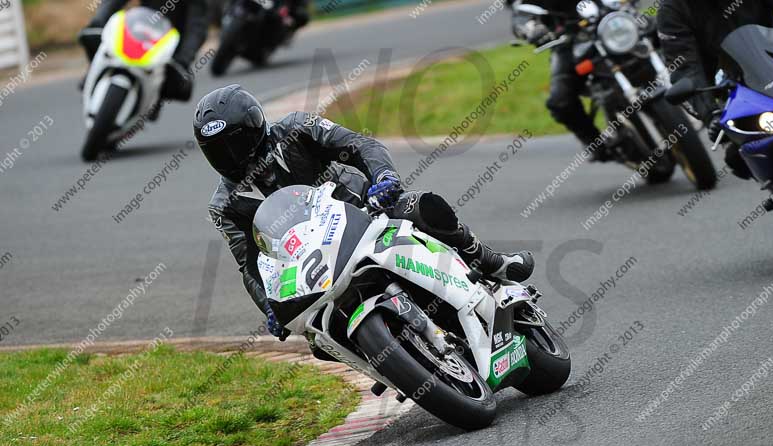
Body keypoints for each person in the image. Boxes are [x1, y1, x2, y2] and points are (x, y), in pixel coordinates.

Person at [195, 85, 535, 338]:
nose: (230, 156)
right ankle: (390, 357)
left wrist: (383, 178)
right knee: (316, 335)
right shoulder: (225, 204)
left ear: (256, 127)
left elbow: (360, 145)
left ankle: (488, 259)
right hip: (311, 265)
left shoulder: (297, 128)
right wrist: (269, 307)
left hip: (364, 213)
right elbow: (250, 262)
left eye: (235, 143)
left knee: (423, 207)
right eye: (217, 151)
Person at [657, 0, 773, 232]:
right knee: (738, 154)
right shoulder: (673, 9)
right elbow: (685, 68)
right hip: (731, 88)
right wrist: (710, 113)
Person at [511, 0, 617, 161]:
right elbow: (521, 17)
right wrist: (532, 29)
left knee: (661, 35)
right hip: (569, 43)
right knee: (560, 101)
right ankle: (594, 143)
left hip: (614, 25)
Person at [79, 0, 209, 103]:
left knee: (183, 86)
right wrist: (98, 22)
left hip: (170, 48)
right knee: (91, 36)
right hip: (139, 30)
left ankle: (153, 99)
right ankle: (94, 71)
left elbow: (197, 27)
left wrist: (183, 60)